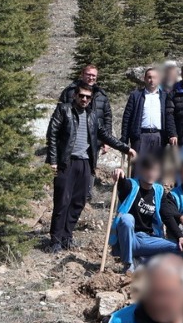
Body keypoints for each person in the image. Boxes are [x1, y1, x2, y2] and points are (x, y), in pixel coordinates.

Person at [47, 80, 132, 252]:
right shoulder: (64, 110)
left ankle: (67, 237)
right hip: (66, 162)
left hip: (86, 163)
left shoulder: (92, 116)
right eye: (81, 96)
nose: (84, 99)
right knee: (62, 201)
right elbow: (52, 135)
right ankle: (55, 240)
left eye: (88, 97)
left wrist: (126, 148)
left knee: (78, 201)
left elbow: (106, 135)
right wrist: (53, 160)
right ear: (75, 96)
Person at [109, 156, 183, 271]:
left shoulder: (159, 191)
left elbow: (166, 215)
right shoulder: (131, 186)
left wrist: (181, 237)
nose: (150, 173)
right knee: (127, 219)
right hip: (129, 238)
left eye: (154, 170)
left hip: (148, 240)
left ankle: (143, 261)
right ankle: (128, 264)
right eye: (147, 170)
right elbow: (122, 184)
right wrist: (120, 174)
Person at [121, 67, 175, 167]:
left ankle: (156, 183)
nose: (152, 80)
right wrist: (124, 139)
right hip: (140, 136)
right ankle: (136, 183)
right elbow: (127, 118)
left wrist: (172, 134)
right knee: (138, 167)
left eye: (155, 77)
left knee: (157, 168)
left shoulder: (165, 96)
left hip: (159, 137)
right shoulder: (135, 95)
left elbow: (169, 116)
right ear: (145, 79)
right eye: (149, 77)